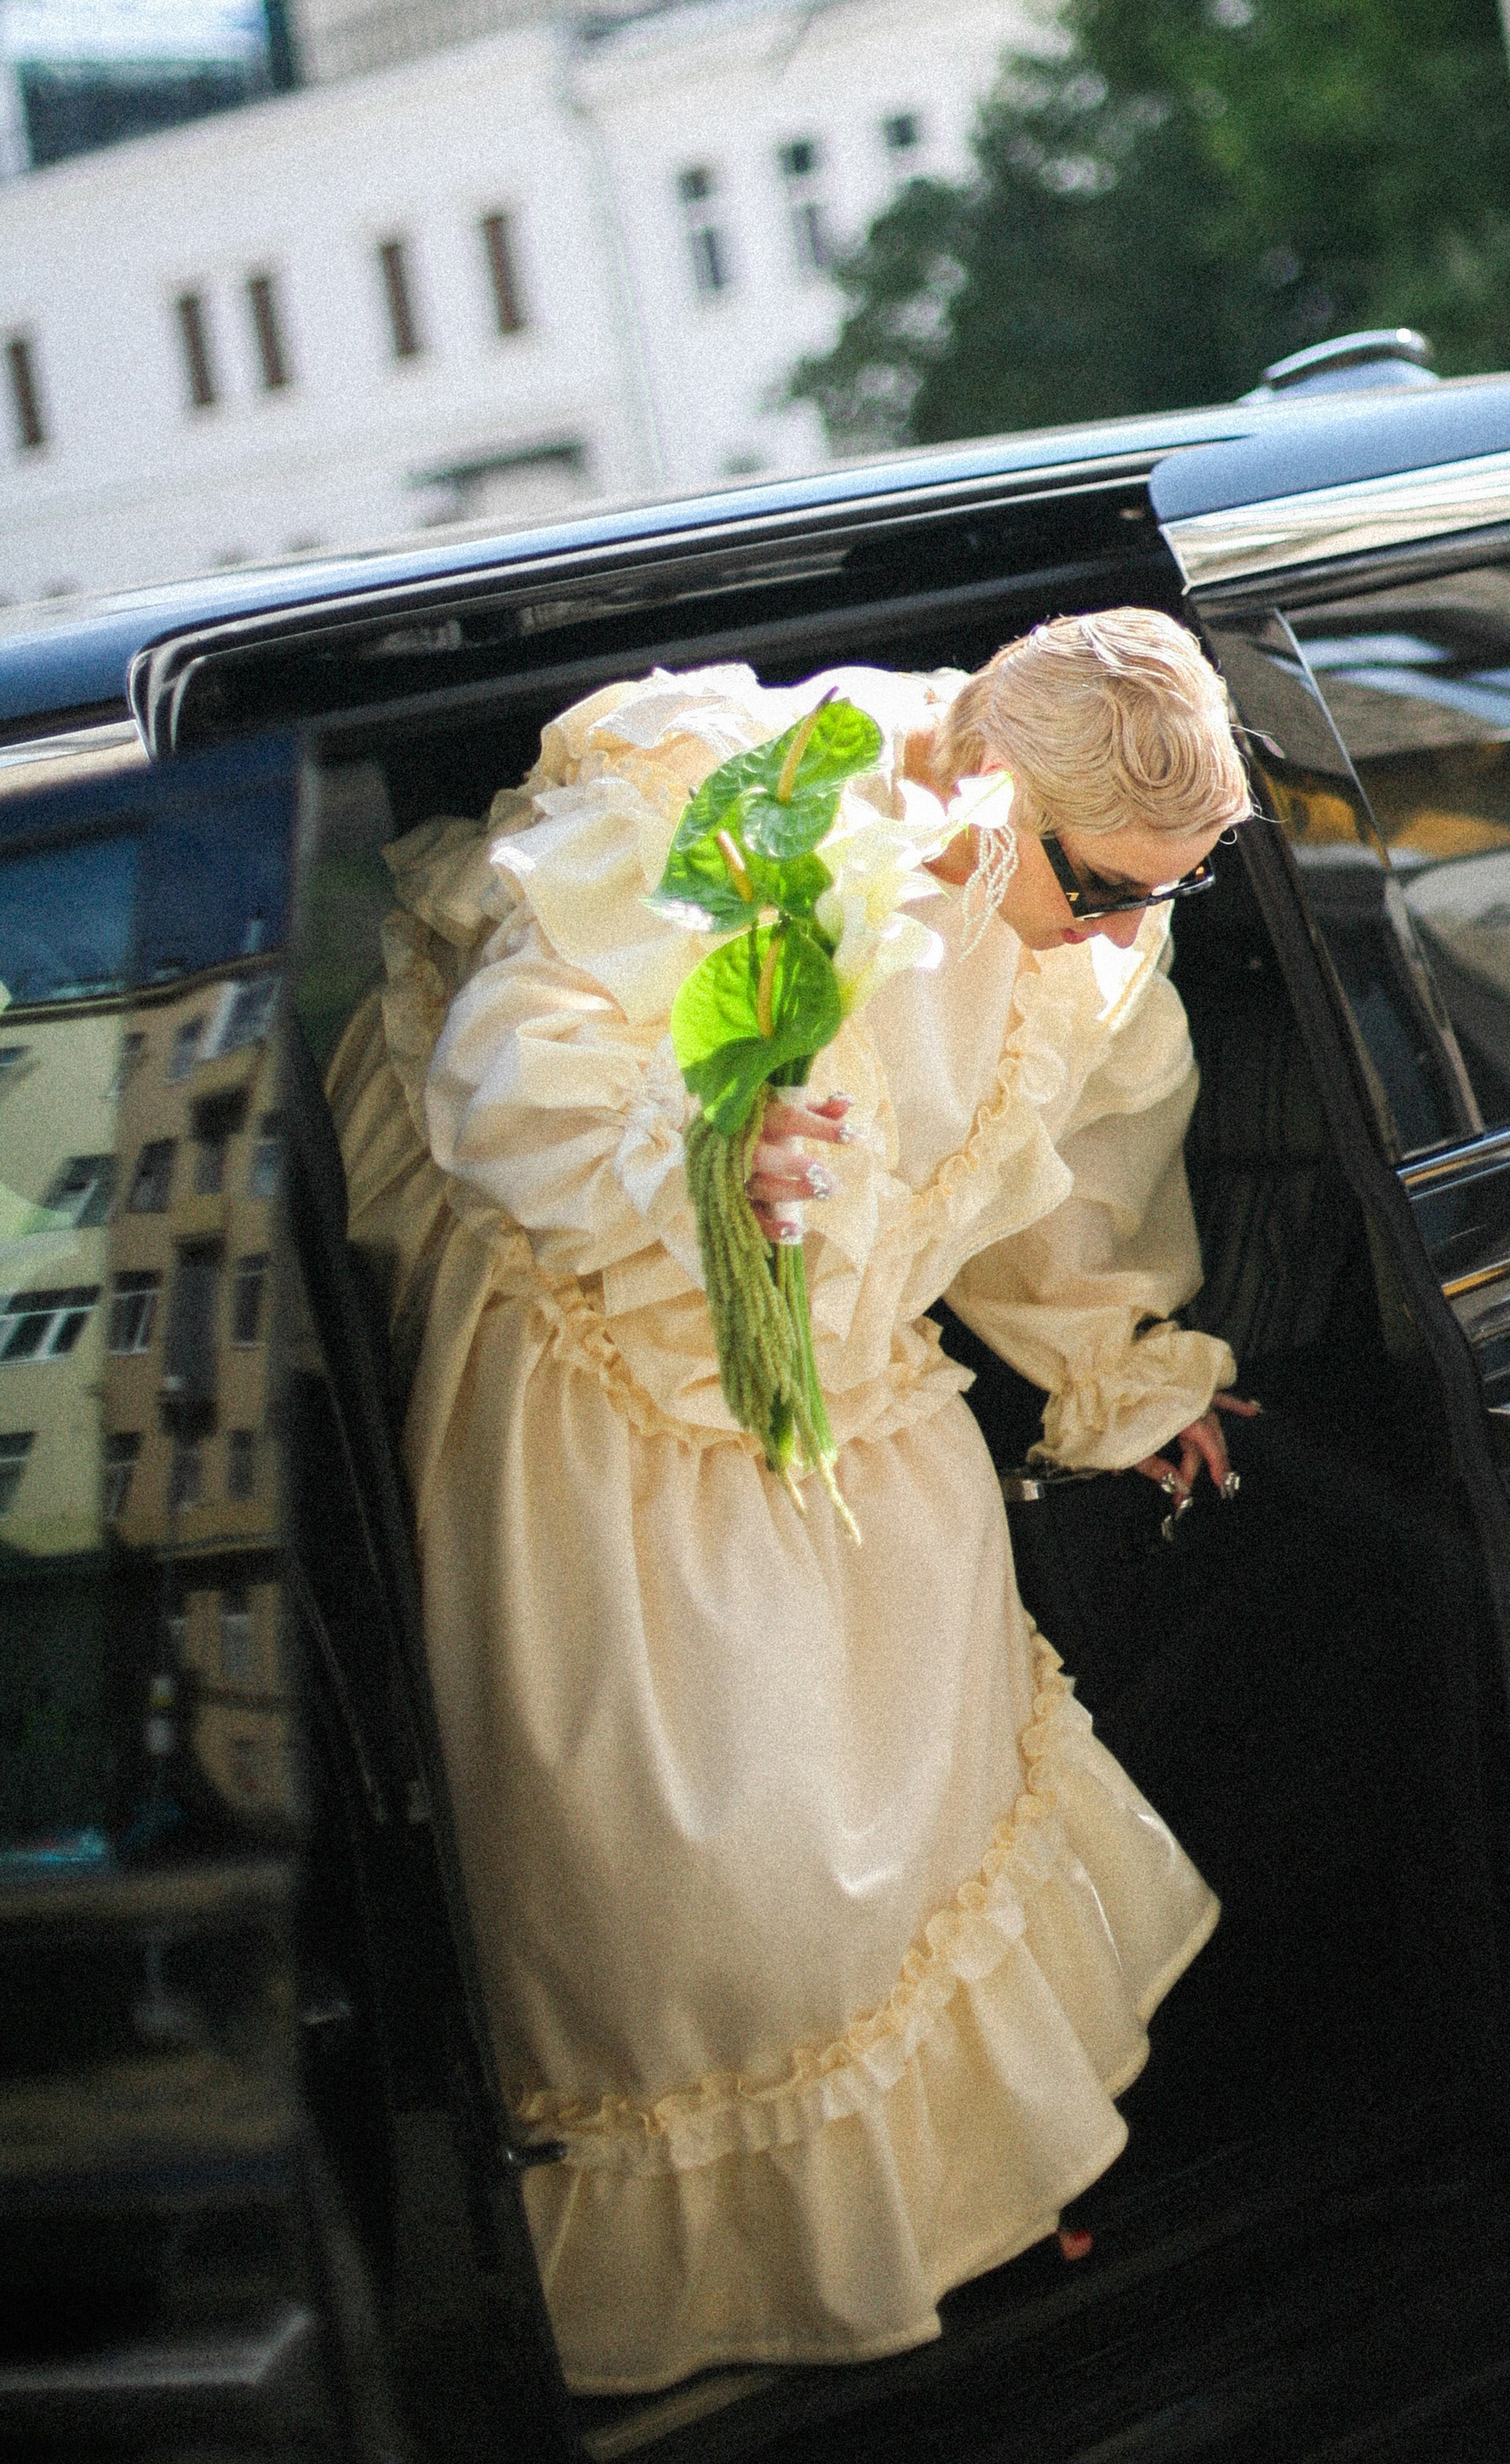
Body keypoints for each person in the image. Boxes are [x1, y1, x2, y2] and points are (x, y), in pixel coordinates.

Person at [328, 611, 1255, 2392]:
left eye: (1170, 892)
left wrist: (1111, 1378)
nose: (1130, 932)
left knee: (910, 1838)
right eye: (1104, 889)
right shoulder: (738, 812)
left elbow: (1059, 1170)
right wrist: (698, 1157)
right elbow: (510, 1073)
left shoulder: (1086, 925)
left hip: (854, 1416)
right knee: (713, 1896)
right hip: (616, 1407)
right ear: (993, 791)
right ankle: (708, 2313)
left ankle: (955, 2224)